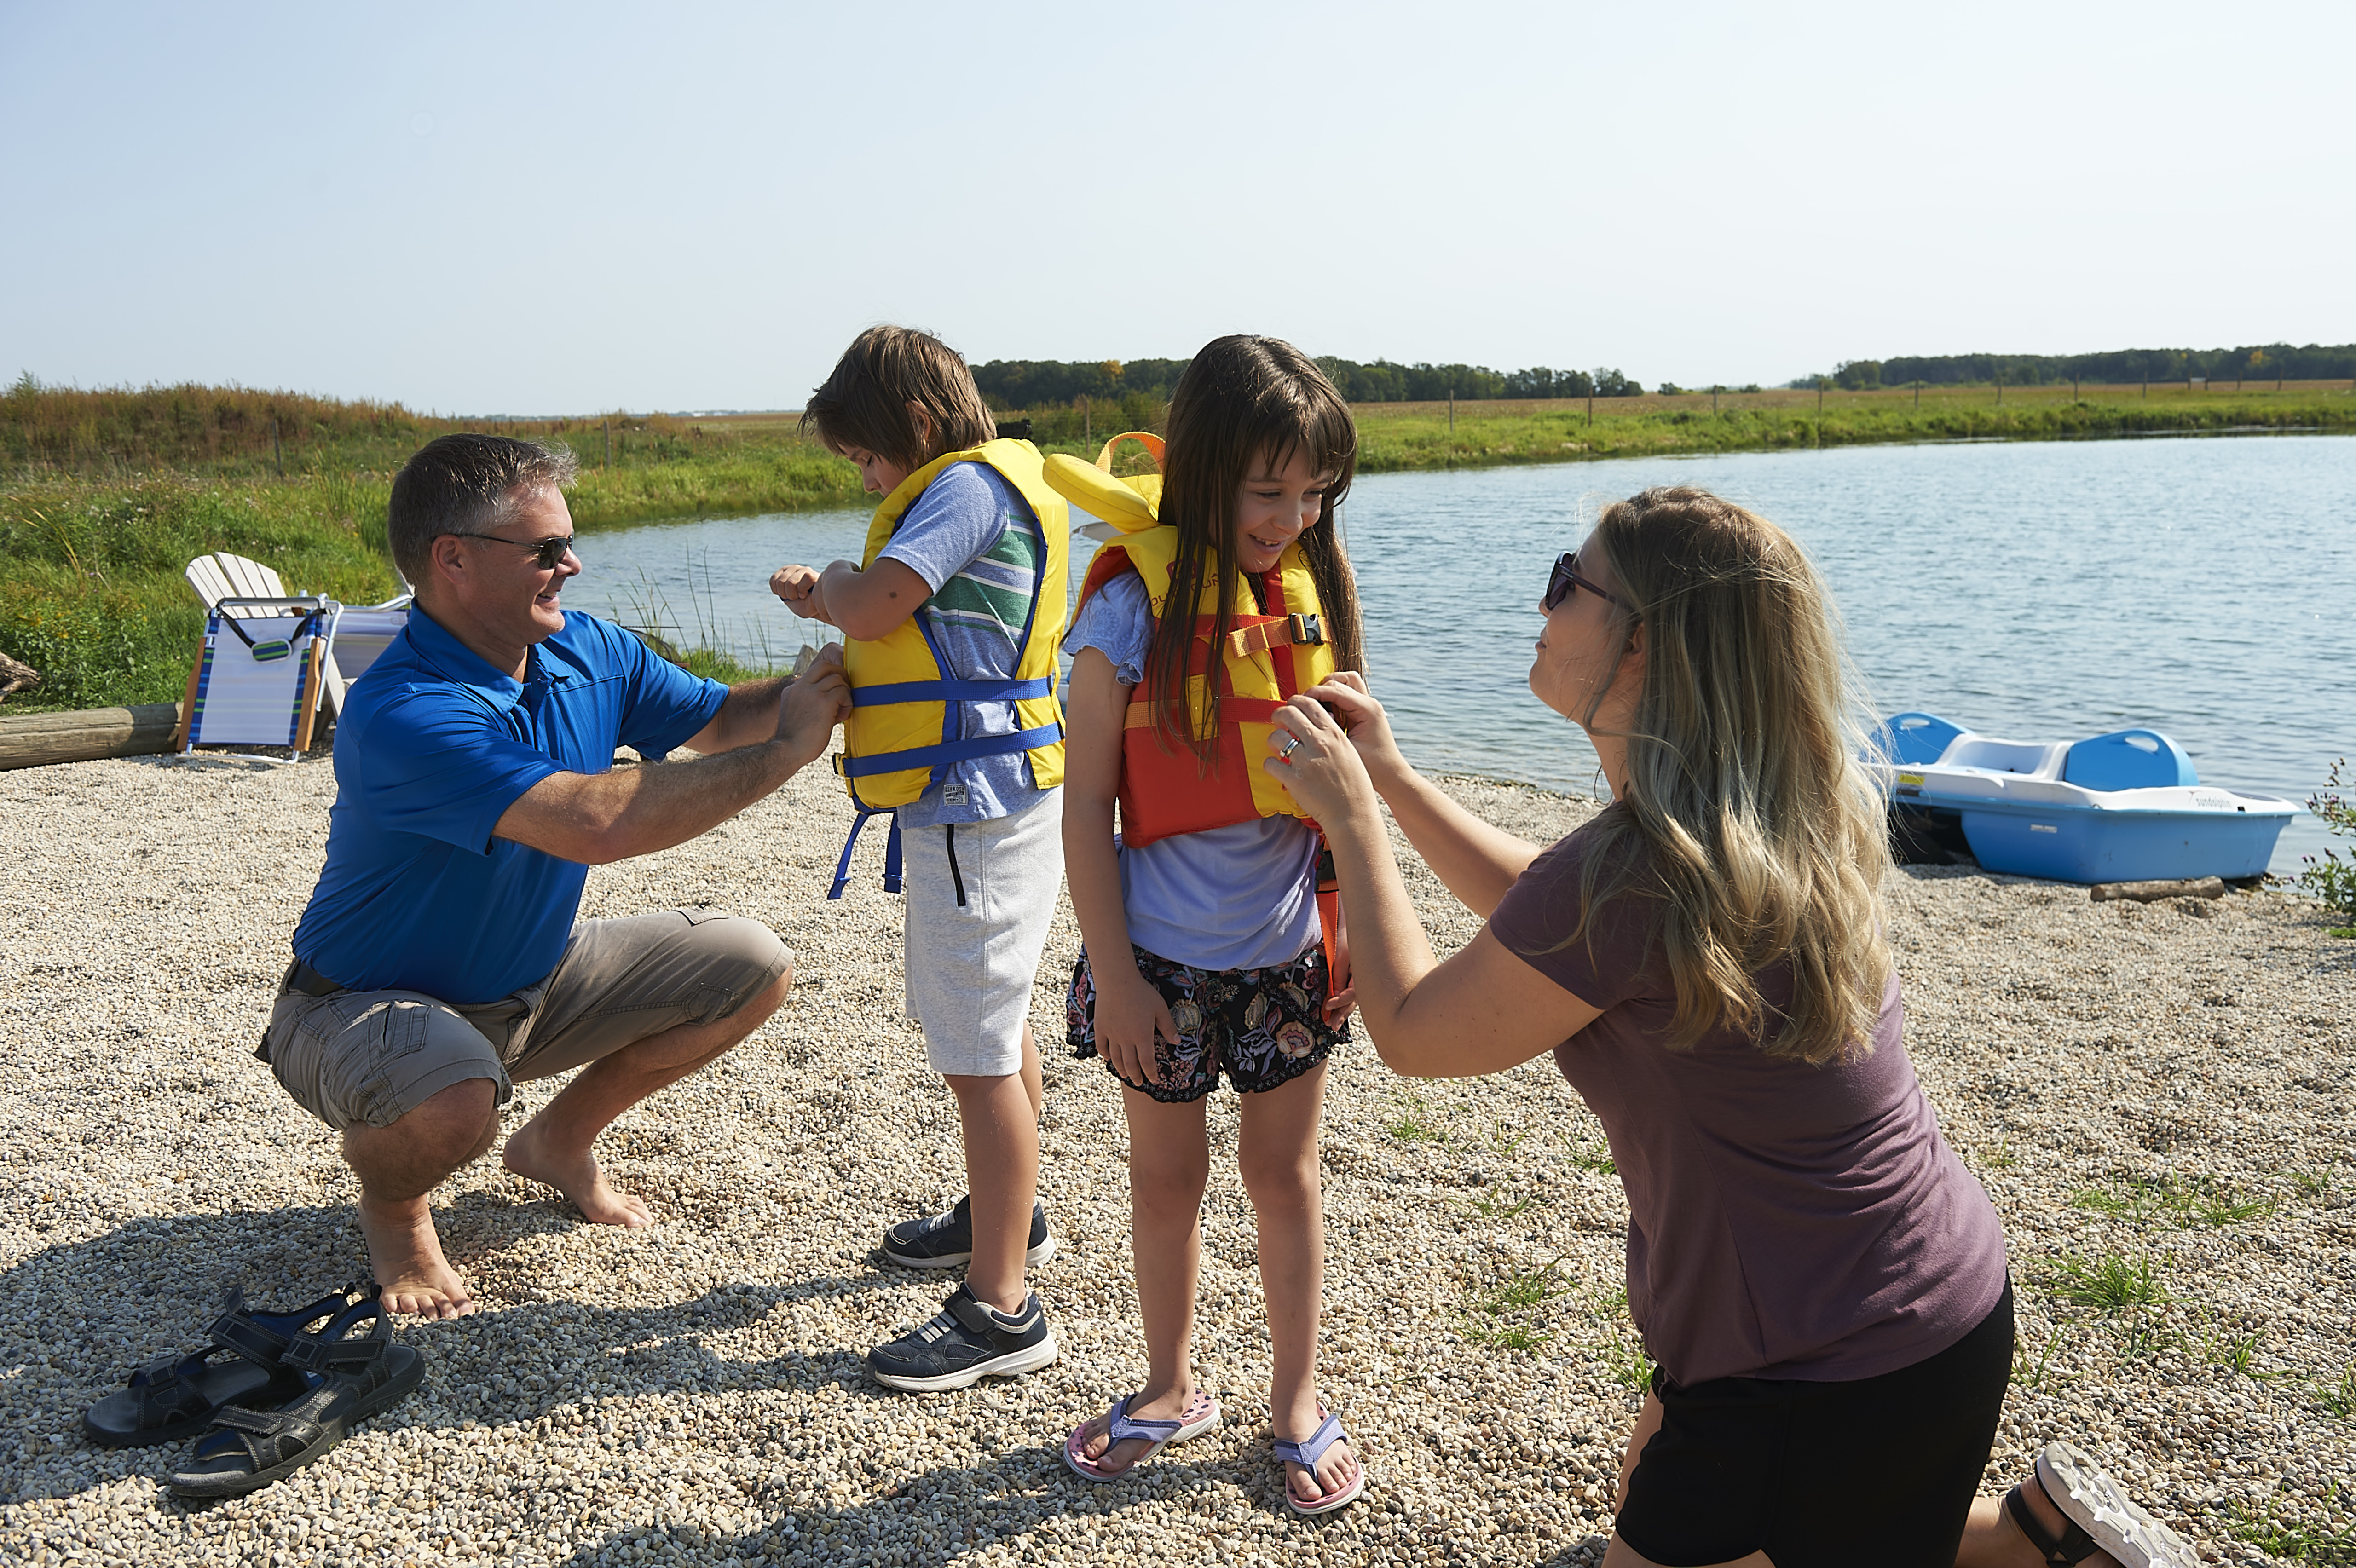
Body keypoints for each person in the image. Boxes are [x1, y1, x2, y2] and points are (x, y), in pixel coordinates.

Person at [1263, 486, 2200, 1567]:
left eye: (1569, 581)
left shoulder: (1629, 869)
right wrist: (1392, 780)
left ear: (1643, 646)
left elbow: (1420, 1034)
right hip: (1936, 1308)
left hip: (1823, 1364)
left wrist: (1350, 822)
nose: (1544, 598)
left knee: (1761, 1517)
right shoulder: (1759, 813)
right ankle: (2047, 1543)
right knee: (1762, 1508)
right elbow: (1549, 917)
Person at [264, 433, 850, 1321]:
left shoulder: (591, 652)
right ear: (452, 559)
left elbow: (722, 719)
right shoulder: (405, 709)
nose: (571, 565)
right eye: (544, 550)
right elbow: (596, 823)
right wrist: (789, 754)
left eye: (568, 543)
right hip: (352, 1008)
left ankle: (558, 1143)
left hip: (527, 990)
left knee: (751, 967)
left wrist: (853, 668)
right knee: (454, 1095)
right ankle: (396, 1213)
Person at [1051, 336, 1366, 1515]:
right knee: (1164, 1179)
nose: (1291, 518)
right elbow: (1086, 810)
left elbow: (1343, 796)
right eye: (1265, 491)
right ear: (1202, 474)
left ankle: (1294, 1397)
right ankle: (1170, 1385)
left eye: (1313, 492)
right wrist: (1120, 981)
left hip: (1288, 955)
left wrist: (1350, 950)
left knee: (1284, 1177)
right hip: (1162, 963)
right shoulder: (1129, 606)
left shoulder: (1315, 588)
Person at [769, 326, 1070, 1391]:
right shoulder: (997, 484)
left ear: (919, 426)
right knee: (1000, 1019)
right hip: (1003, 792)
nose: (864, 476)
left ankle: (1002, 1312)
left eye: (863, 459)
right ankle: (1008, 1218)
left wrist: (826, 588)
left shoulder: (961, 491)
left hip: (971, 805)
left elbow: (884, 600)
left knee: (975, 1052)